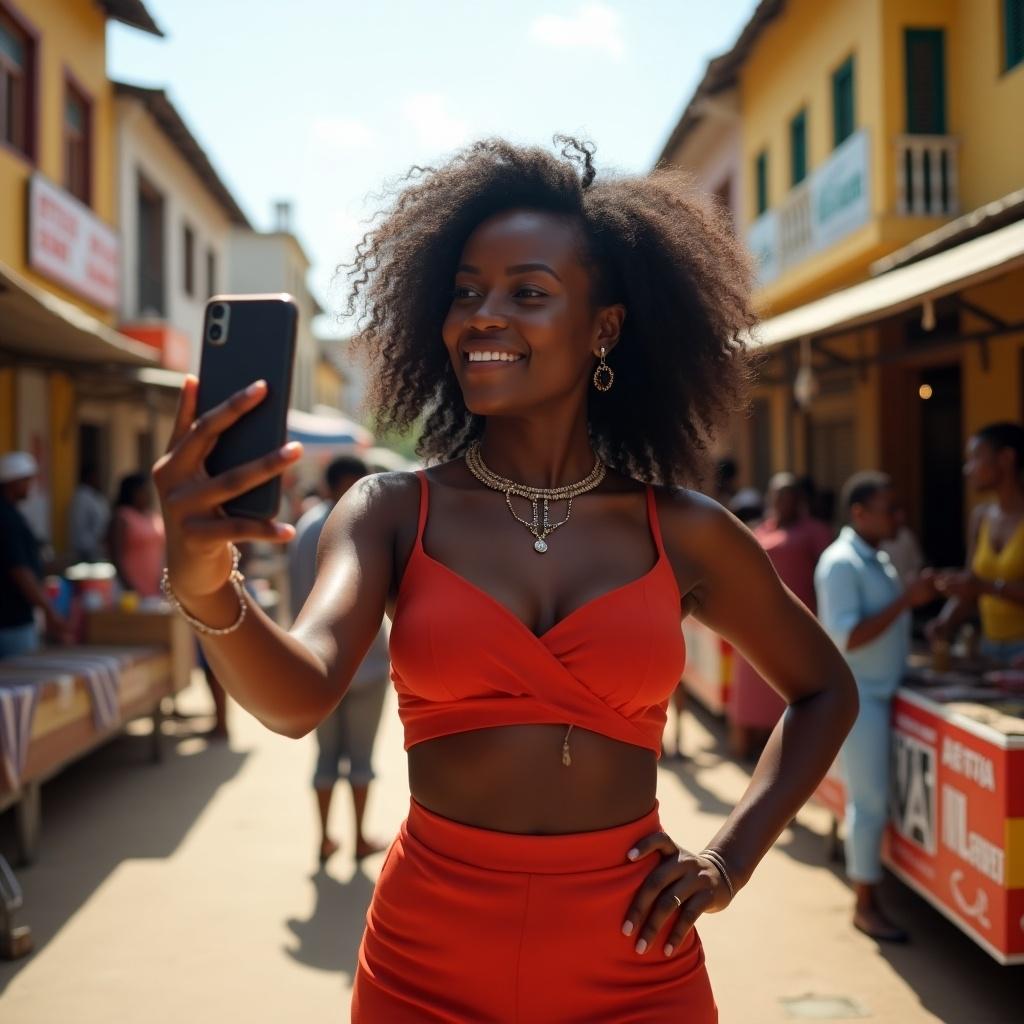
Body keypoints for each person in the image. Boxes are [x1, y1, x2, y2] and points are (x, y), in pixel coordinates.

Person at [153, 137, 858, 1022]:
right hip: (427, 959)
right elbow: (296, 699)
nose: (481, 315)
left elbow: (825, 689)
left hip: (637, 960)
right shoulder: (388, 511)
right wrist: (208, 581)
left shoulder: (686, 531)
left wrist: (727, 861)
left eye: (527, 292)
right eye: (465, 292)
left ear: (605, 327)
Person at [815, 471, 937, 943]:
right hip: (861, 696)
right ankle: (865, 903)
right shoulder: (842, 563)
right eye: (890, 508)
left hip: (883, 690)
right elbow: (845, 637)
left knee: (870, 799)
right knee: (867, 803)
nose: (899, 517)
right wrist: (908, 599)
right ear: (859, 513)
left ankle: (870, 889)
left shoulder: (876, 557)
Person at [289, 455, 389, 864]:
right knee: (360, 760)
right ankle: (359, 837)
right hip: (366, 664)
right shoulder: (366, 525)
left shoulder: (305, 527)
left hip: (313, 667)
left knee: (326, 758)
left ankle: (325, 838)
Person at [729, 473, 833, 758]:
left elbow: (826, 580)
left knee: (790, 693)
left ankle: (790, 756)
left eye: (789, 495)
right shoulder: (760, 530)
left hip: (798, 627)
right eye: (778, 496)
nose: (783, 501)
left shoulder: (815, 532)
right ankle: (748, 751)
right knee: (753, 691)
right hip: (758, 626)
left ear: (799, 500)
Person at [928, 423, 1024, 663]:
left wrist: (987, 587)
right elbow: (971, 586)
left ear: (1006, 458)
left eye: (975, 458)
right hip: (990, 647)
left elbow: (979, 585)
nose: (967, 469)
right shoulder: (981, 517)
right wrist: (944, 622)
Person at [0, 451, 71, 656]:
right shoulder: (7, 519)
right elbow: (20, 571)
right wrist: (50, 612)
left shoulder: (12, 514)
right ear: (12, 482)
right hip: (12, 620)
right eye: (26, 481)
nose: (29, 486)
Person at [109, 472, 165, 598]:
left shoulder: (154, 517)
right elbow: (115, 555)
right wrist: (129, 586)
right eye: (142, 491)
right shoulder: (122, 517)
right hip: (130, 587)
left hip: (156, 586)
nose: (147, 495)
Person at [68, 463, 110, 563]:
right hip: (87, 552)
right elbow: (79, 526)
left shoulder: (95, 496)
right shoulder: (81, 497)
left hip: (98, 551)